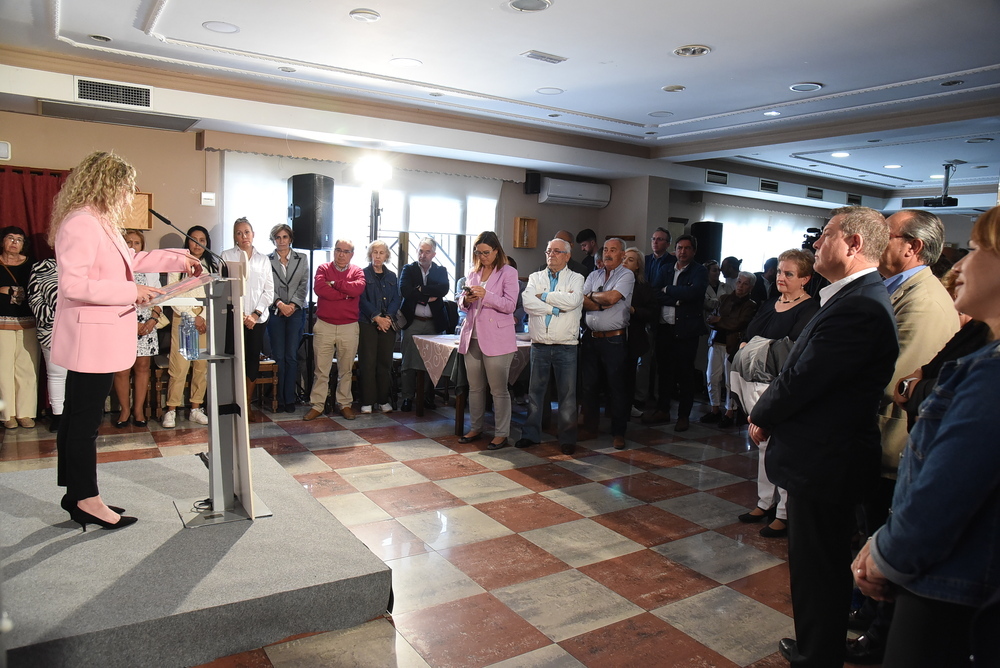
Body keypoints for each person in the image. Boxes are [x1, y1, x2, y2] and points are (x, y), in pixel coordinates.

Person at [748, 206, 898, 666]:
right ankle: (819, 646)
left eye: (826, 235)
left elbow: (806, 376)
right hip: (824, 453)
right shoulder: (850, 296)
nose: (816, 244)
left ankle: (819, 655)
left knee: (820, 566)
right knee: (818, 564)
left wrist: (764, 413)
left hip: (828, 456)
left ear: (853, 244)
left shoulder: (861, 305)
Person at [852, 205, 1000, 668]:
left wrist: (885, 551)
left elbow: (948, 489)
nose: (959, 265)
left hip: (948, 583)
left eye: (975, 250)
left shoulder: (992, 375)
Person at [50, 150, 200, 530]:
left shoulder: (99, 222)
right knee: (84, 422)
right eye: (125, 188)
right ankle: (87, 499)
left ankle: (76, 493)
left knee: (77, 418)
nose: (128, 196)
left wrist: (181, 260)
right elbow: (73, 284)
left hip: (96, 334)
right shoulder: (81, 223)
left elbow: (133, 259)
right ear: (106, 183)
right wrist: (130, 292)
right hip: (90, 337)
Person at [846, 209, 960, 664]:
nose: (875, 241)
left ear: (911, 246)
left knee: (879, 539)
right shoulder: (893, 289)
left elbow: (893, 380)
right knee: (865, 534)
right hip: (871, 439)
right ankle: (870, 619)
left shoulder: (924, 300)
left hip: (890, 444)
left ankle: (877, 637)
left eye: (885, 235)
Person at [730, 252, 819, 538]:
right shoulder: (771, 302)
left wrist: (753, 345)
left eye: (789, 274)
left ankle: (783, 513)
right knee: (761, 443)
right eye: (780, 272)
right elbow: (751, 333)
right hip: (753, 380)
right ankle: (764, 502)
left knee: (780, 447)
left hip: (779, 385)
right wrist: (749, 343)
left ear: (805, 278)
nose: (781, 277)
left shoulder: (809, 308)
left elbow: (789, 348)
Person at [516, 238, 584, 455]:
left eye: (556, 251)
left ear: (567, 255)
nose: (551, 255)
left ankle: (567, 439)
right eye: (548, 251)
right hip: (540, 345)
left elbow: (573, 301)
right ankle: (531, 435)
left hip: (566, 345)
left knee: (567, 396)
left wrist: (544, 296)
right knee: (535, 393)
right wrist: (553, 309)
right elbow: (528, 303)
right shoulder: (536, 277)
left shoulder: (577, 278)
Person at [457, 231, 518, 450]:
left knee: (498, 389)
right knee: (475, 388)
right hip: (472, 335)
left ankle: (501, 433)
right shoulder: (473, 273)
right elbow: (462, 305)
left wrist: (486, 295)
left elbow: (510, 305)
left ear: (496, 251)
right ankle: (476, 427)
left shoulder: (508, 273)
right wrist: (466, 299)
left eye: (486, 253)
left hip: (497, 338)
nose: (482, 257)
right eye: (478, 253)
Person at [643, 234, 708, 432]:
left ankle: (683, 416)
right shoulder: (665, 268)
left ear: (693, 251)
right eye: (680, 248)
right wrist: (677, 299)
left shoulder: (699, 271)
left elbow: (694, 293)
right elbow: (654, 293)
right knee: (664, 372)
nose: (682, 251)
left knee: (685, 374)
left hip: (686, 331)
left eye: (687, 248)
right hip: (664, 328)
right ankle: (663, 410)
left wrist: (669, 290)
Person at [581, 238, 634, 449]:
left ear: (622, 255)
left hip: (614, 338)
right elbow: (580, 299)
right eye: (606, 250)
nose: (608, 254)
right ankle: (589, 427)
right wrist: (597, 301)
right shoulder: (593, 275)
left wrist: (593, 297)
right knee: (589, 386)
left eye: (613, 250)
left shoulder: (627, 275)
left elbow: (612, 298)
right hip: (591, 337)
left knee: (617, 387)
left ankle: (618, 432)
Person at [162, 225, 216, 429]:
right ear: (187, 241)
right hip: (183, 318)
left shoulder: (211, 265)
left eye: (202, 239)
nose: (198, 243)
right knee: (180, 366)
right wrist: (192, 317)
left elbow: (212, 295)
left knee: (201, 366)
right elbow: (171, 294)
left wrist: (201, 316)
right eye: (193, 239)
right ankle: (172, 410)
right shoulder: (178, 264)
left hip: (203, 320)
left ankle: (195, 408)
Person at [304, 239, 365, 421]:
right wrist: (346, 293)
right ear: (334, 251)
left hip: (349, 326)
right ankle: (317, 405)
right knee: (321, 369)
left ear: (351, 254)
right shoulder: (323, 269)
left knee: (345, 370)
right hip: (325, 325)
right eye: (338, 250)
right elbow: (320, 289)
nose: (341, 254)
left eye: (345, 251)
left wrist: (336, 284)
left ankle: (344, 404)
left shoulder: (357, 271)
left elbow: (358, 288)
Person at [221, 218, 274, 414]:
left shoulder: (263, 259)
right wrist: (242, 313)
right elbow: (224, 287)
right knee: (233, 359)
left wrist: (254, 314)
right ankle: (232, 403)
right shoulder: (226, 256)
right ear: (234, 237)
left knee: (252, 359)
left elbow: (269, 291)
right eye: (239, 233)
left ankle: (247, 405)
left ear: (253, 234)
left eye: (247, 232)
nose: (243, 236)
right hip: (234, 316)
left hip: (257, 319)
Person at [112, 230, 163, 428]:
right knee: (122, 370)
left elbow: (159, 297)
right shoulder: (115, 268)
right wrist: (132, 324)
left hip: (148, 324)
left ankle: (138, 410)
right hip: (123, 323)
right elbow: (113, 299)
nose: (133, 246)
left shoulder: (151, 269)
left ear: (143, 247)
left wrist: (153, 320)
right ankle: (125, 410)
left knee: (143, 369)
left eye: (137, 243)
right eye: (129, 242)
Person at [399, 237, 449, 411]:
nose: (423, 255)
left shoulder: (441, 270)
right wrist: (428, 295)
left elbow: (443, 289)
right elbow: (405, 291)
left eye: (427, 251)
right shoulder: (409, 269)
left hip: (433, 324)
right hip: (412, 322)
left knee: (431, 363)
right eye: (421, 250)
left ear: (434, 254)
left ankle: (427, 396)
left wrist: (419, 289)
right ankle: (407, 397)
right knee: (409, 362)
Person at [702, 270, 756, 425]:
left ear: (750, 287)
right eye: (739, 282)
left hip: (732, 345)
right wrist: (721, 320)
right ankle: (715, 408)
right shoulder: (724, 298)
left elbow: (738, 323)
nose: (741, 286)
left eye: (745, 284)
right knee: (712, 377)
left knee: (730, 381)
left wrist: (720, 320)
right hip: (716, 341)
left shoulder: (750, 305)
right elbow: (712, 318)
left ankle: (730, 411)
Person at [0, 225, 39, 429]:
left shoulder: (32, 265)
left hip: (28, 321)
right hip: (1, 323)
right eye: (10, 238)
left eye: (19, 239)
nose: (14, 242)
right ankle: (7, 415)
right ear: (2, 241)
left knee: (27, 368)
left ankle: (25, 413)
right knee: (3, 369)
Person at [267, 223, 308, 413]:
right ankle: (279, 399)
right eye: (278, 237)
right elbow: (267, 286)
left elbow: (303, 284)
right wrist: (280, 304)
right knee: (279, 356)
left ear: (290, 239)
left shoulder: (302, 258)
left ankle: (290, 398)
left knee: (292, 356)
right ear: (273, 240)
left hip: (296, 311)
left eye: (285, 237)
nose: (281, 241)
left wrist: (292, 305)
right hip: (275, 311)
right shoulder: (266, 260)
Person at [357, 240, 400, 414]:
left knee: (384, 363)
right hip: (368, 323)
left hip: (388, 324)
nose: (378, 255)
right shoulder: (361, 273)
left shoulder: (392, 276)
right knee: (367, 362)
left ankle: (383, 400)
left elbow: (397, 299)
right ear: (370, 254)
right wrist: (376, 317)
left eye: (381, 252)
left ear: (386, 255)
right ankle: (367, 401)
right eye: (375, 252)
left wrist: (387, 318)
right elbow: (361, 299)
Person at [27, 255, 64, 432]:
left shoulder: (88, 265)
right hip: (52, 330)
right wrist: (57, 318)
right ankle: (58, 415)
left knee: (81, 375)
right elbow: (35, 298)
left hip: (82, 329)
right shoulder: (42, 267)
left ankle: (78, 414)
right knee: (56, 374)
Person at [622, 247, 659, 420]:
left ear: (638, 266)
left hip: (634, 334)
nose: (625, 262)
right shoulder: (613, 281)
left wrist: (634, 310)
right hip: (613, 335)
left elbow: (652, 312)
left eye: (630, 260)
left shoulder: (644, 286)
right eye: (624, 258)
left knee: (629, 373)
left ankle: (629, 405)